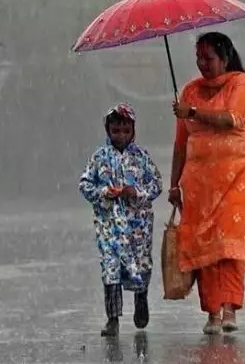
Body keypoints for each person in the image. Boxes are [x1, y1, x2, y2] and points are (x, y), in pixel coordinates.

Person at [168, 32, 245, 335]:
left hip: (237, 178)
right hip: (199, 184)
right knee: (204, 246)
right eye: (198, 58)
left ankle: (230, 309)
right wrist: (174, 184)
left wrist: (191, 112)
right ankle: (212, 313)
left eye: (209, 58)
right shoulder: (189, 91)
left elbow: (232, 119)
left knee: (229, 244)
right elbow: (181, 144)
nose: (202, 64)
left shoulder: (242, 84)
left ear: (225, 57)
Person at [79, 103, 162, 338]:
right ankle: (112, 318)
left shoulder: (142, 157)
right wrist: (104, 193)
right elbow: (84, 184)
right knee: (111, 269)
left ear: (133, 130)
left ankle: (141, 299)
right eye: (116, 131)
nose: (121, 136)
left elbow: (156, 185)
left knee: (141, 265)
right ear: (108, 130)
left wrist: (136, 193)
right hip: (110, 226)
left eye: (125, 131)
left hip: (139, 226)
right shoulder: (99, 157)